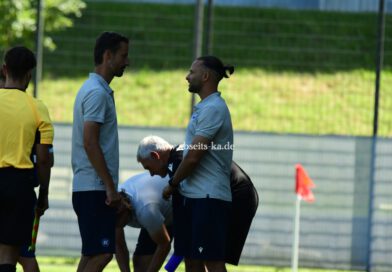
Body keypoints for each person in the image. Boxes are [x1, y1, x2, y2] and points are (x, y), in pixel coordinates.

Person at [137, 135, 258, 266]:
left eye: (148, 167)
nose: (151, 174)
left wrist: (178, 255)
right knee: (196, 256)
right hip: (239, 193)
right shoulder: (179, 155)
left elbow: (183, 216)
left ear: (155, 156)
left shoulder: (177, 162)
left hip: (236, 196)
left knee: (209, 259)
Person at [161, 56, 235, 272]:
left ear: (205, 76)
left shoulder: (214, 109)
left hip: (208, 198)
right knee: (192, 260)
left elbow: (194, 156)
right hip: (194, 197)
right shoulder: (205, 108)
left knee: (211, 261)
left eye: (191, 72)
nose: (187, 76)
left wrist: (173, 183)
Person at [71, 31, 129, 272]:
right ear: (108, 56)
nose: (127, 61)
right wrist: (109, 186)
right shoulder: (96, 92)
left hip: (90, 187)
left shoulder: (95, 89)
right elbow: (90, 142)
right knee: (104, 253)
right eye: (123, 55)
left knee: (91, 254)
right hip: (95, 189)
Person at [0, 46, 54, 272]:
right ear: (30, 75)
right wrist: (43, 194)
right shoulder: (37, 108)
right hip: (19, 186)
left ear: (4, 70)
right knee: (9, 257)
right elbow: (43, 159)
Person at [115, 172, 172, 272]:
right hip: (158, 211)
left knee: (194, 261)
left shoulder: (145, 210)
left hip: (185, 206)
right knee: (140, 264)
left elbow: (164, 245)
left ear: (126, 207)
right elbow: (119, 245)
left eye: (118, 220)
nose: (115, 224)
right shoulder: (112, 203)